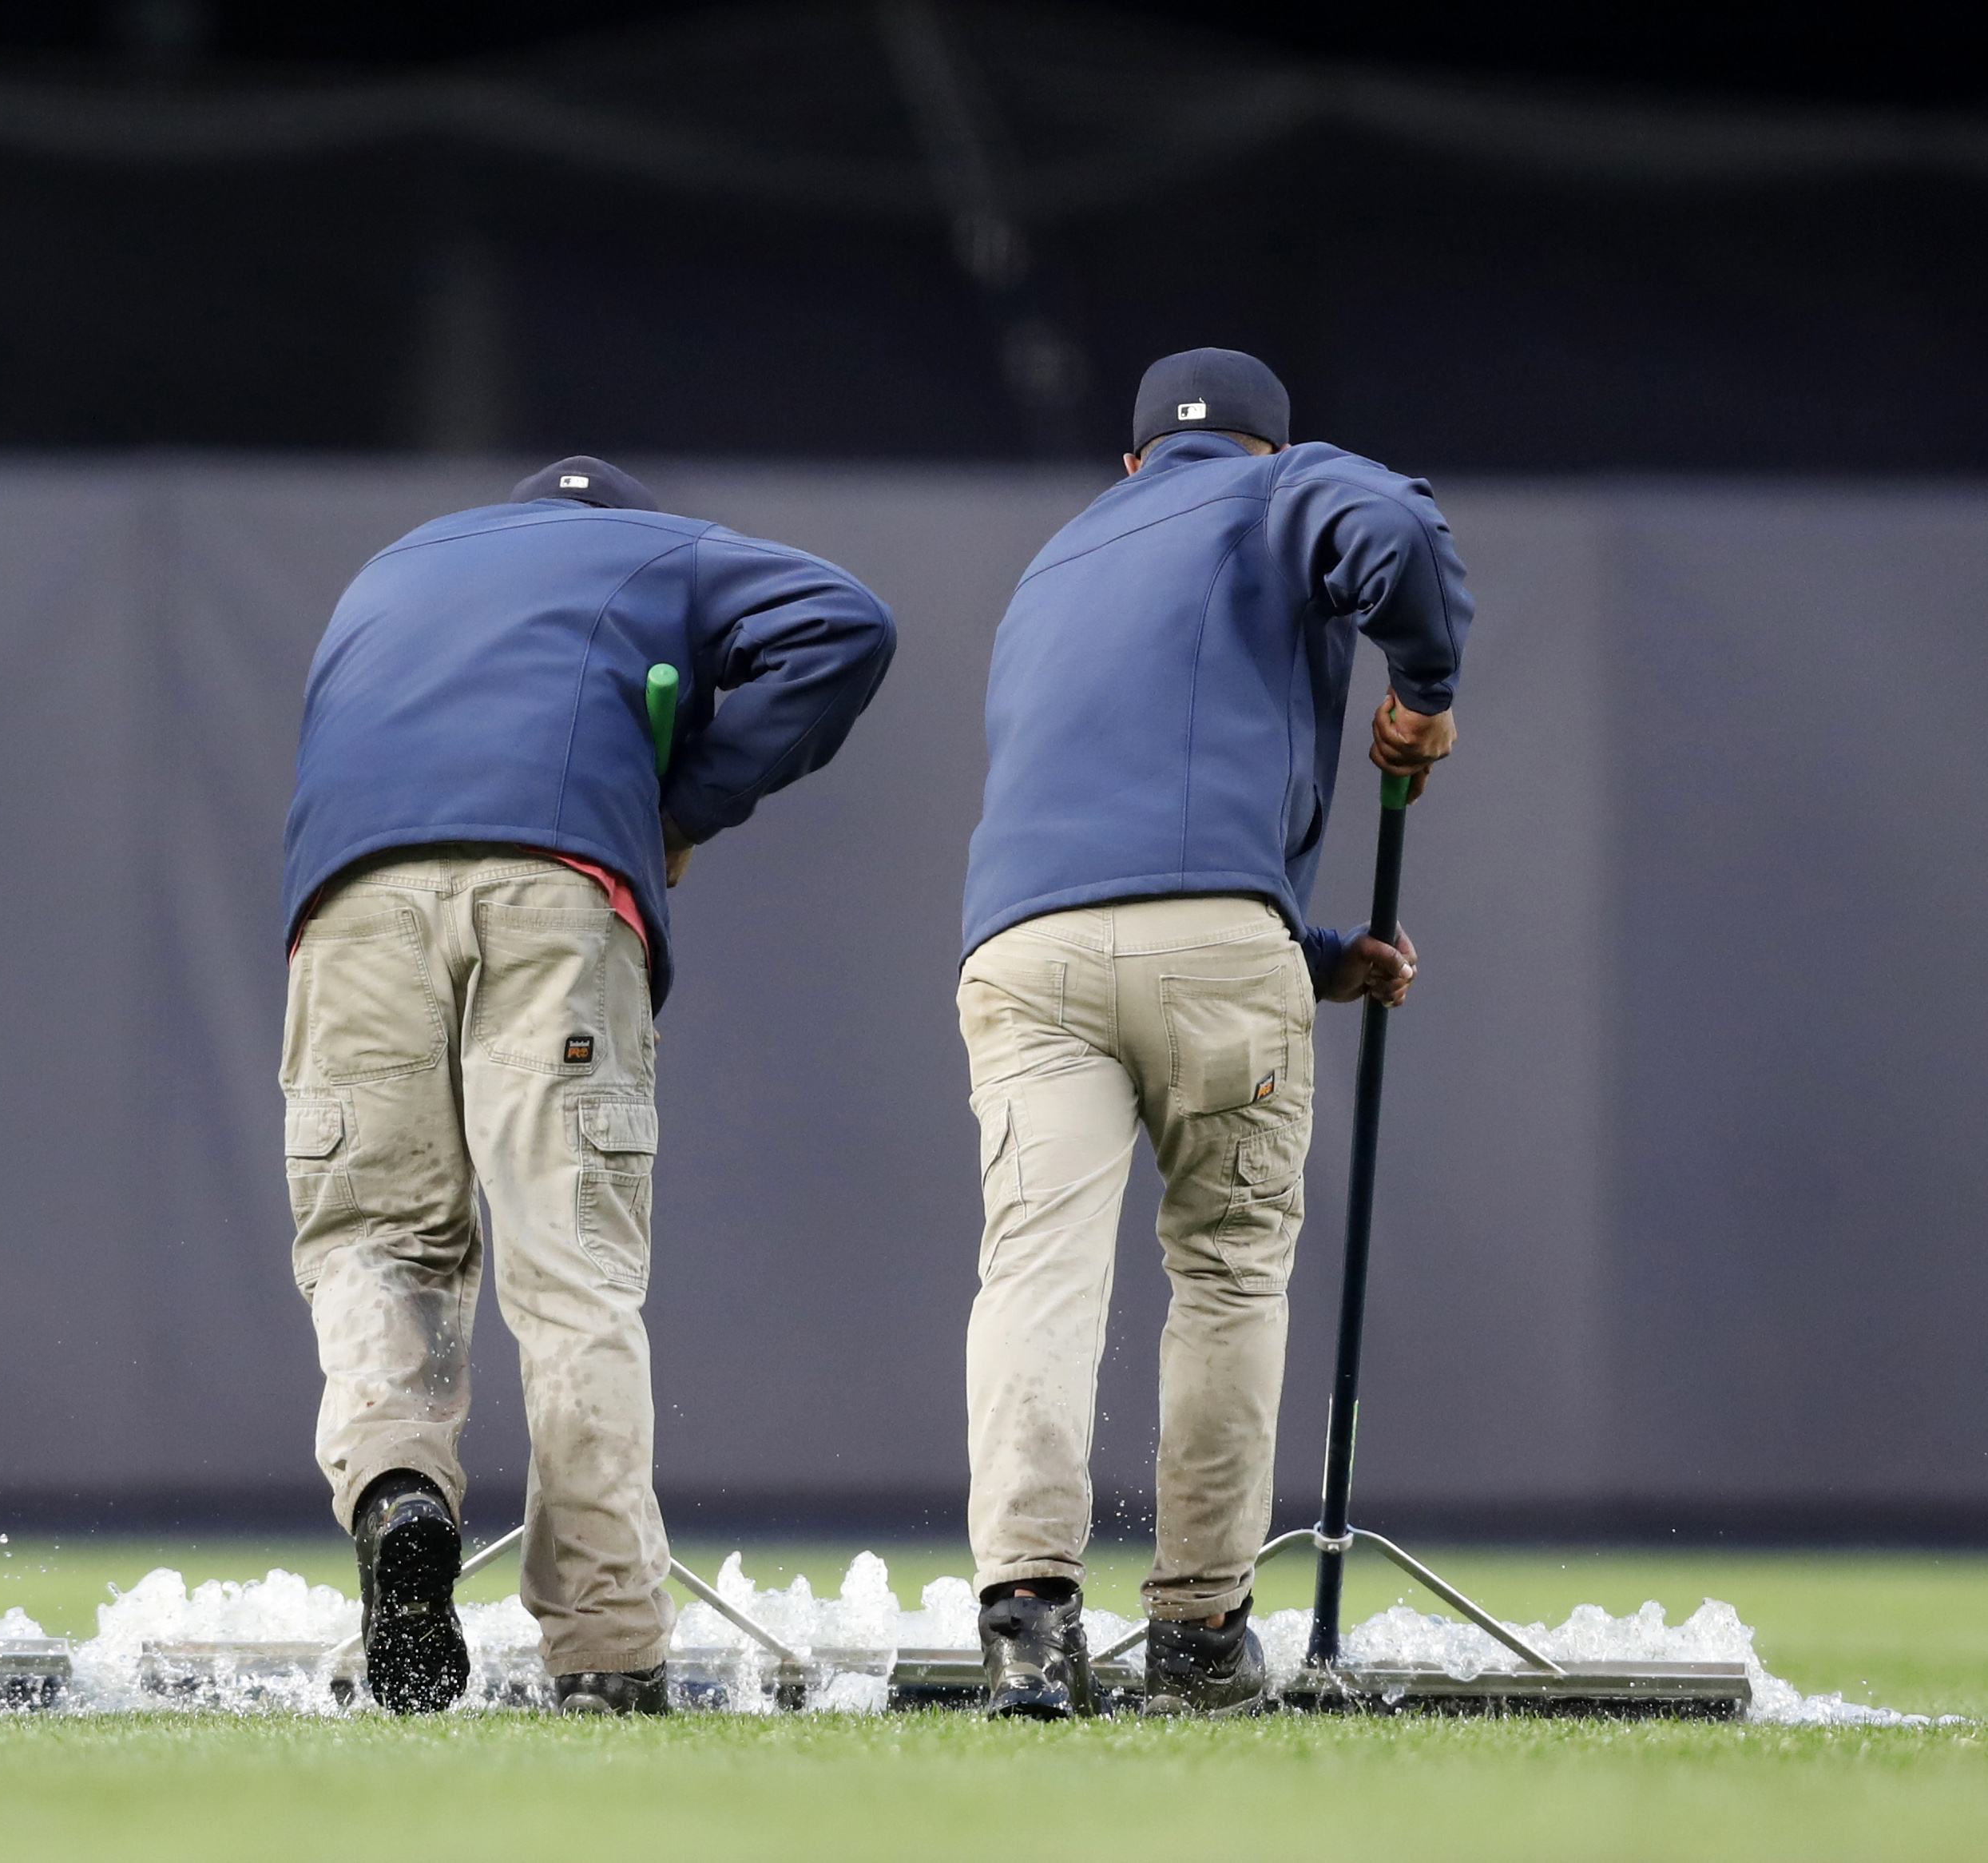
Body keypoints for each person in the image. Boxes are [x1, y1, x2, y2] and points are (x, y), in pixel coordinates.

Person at [281, 457, 895, 1714]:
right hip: (553, 889)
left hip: (349, 905)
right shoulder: (646, 552)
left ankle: (399, 1493)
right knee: (571, 1279)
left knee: (377, 1248)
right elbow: (845, 623)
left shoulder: (393, 568)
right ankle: (605, 1643)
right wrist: (685, 805)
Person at [958, 350, 1469, 1718]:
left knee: (1036, 1278)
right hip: (1210, 950)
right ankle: (1195, 1638)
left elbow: (1114, 821)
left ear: (1132, 465)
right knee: (1228, 1275)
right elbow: (1402, 531)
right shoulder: (1278, 492)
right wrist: (1421, 690)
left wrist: (1313, 961)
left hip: (1020, 951)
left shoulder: (1056, 562)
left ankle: (1024, 1620)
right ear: (1263, 447)